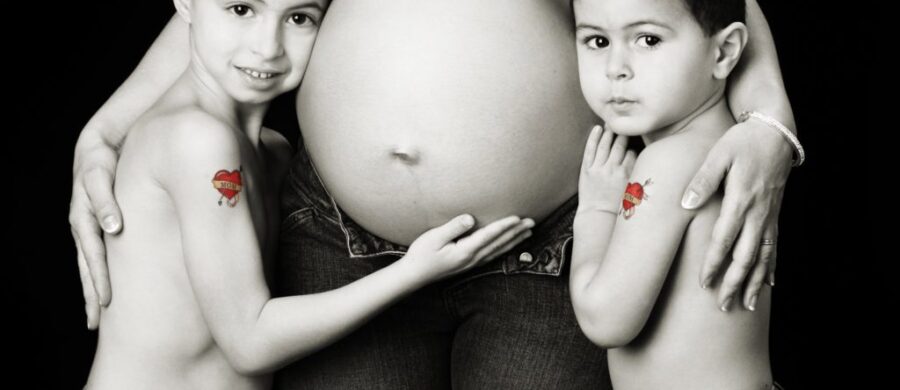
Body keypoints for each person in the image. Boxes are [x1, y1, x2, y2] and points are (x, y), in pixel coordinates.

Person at [70, 1, 798, 388]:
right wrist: (102, 130)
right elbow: (220, 5)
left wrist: (771, 122)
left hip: (543, 242)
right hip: (340, 244)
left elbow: (710, 5)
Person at [83, 0, 533, 388]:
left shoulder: (271, 152)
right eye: (241, 9)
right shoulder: (196, 140)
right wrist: (415, 270)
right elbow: (249, 343)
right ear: (185, 5)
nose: (268, 46)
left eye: (300, 18)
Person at [569, 0, 793, 388]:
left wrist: (596, 207)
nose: (615, 68)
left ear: (723, 52)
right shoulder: (725, 150)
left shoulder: (669, 162)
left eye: (648, 39)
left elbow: (604, 319)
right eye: (597, 40)